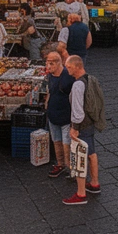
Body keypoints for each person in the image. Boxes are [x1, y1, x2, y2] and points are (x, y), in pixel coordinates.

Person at [63, 56, 102, 205]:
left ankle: (80, 193)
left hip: (82, 126)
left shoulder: (77, 85)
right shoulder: (90, 79)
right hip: (90, 123)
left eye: (69, 67)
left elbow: (78, 111)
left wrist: (74, 128)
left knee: (79, 158)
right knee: (91, 153)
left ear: (77, 67)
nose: (67, 70)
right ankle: (94, 183)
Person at [44, 49, 74, 178]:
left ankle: (70, 167)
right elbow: (50, 91)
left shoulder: (68, 77)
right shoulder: (51, 76)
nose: (48, 66)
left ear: (58, 63)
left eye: (51, 63)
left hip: (65, 116)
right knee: (56, 140)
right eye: (47, 63)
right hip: (53, 115)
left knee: (66, 143)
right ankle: (61, 164)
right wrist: (47, 103)